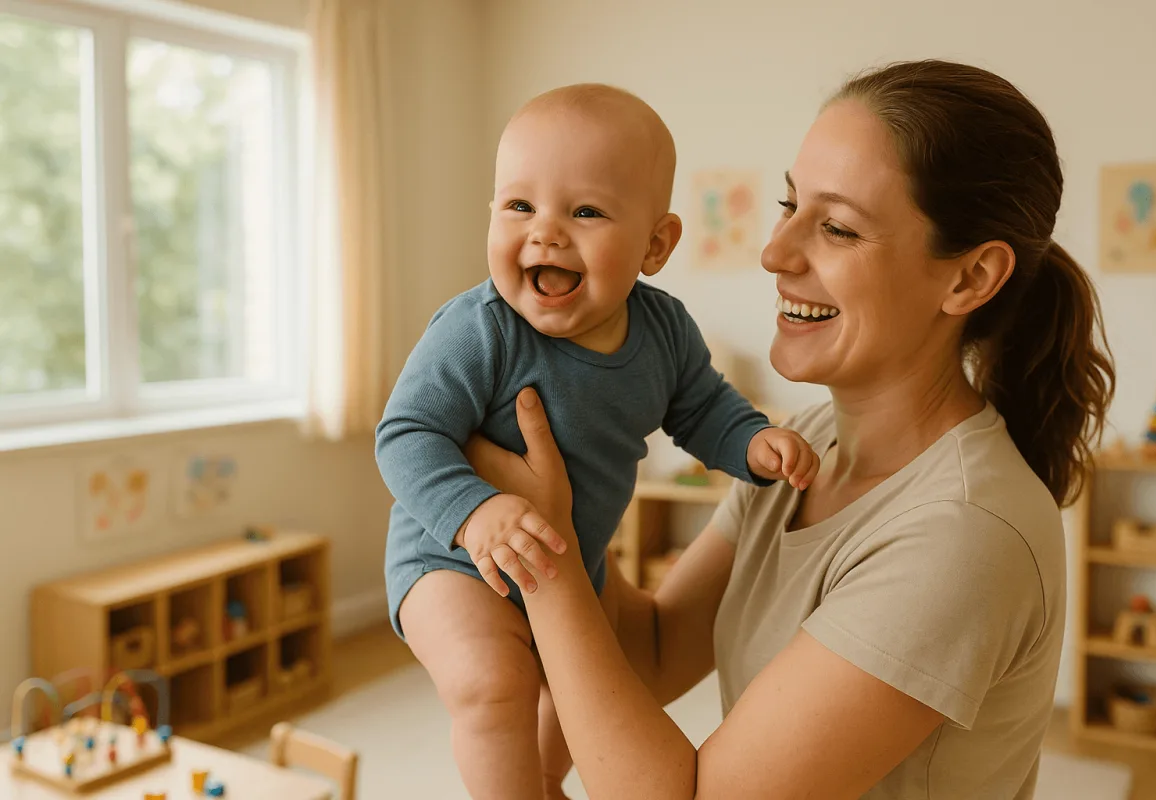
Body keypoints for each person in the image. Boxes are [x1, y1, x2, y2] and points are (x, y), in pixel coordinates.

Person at [464, 59, 1116, 799]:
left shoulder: (963, 534)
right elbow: (649, 651)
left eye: (837, 227)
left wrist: (541, 551)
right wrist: (563, 489)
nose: (774, 252)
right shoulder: (805, 447)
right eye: (789, 203)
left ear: (968, 279)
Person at [375, 83, 818, 800]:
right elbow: (405, 434)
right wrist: (475, 512)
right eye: (520, 206)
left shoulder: (664, 331)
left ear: (656, 244)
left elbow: (701, 407)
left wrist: (753, 442)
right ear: (491, 215)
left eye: (584, 211)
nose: (545, 233)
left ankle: (545, 783)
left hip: (571, 560)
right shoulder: (478, 328)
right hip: (450, 556)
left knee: (586, 694)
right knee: (495, 686)